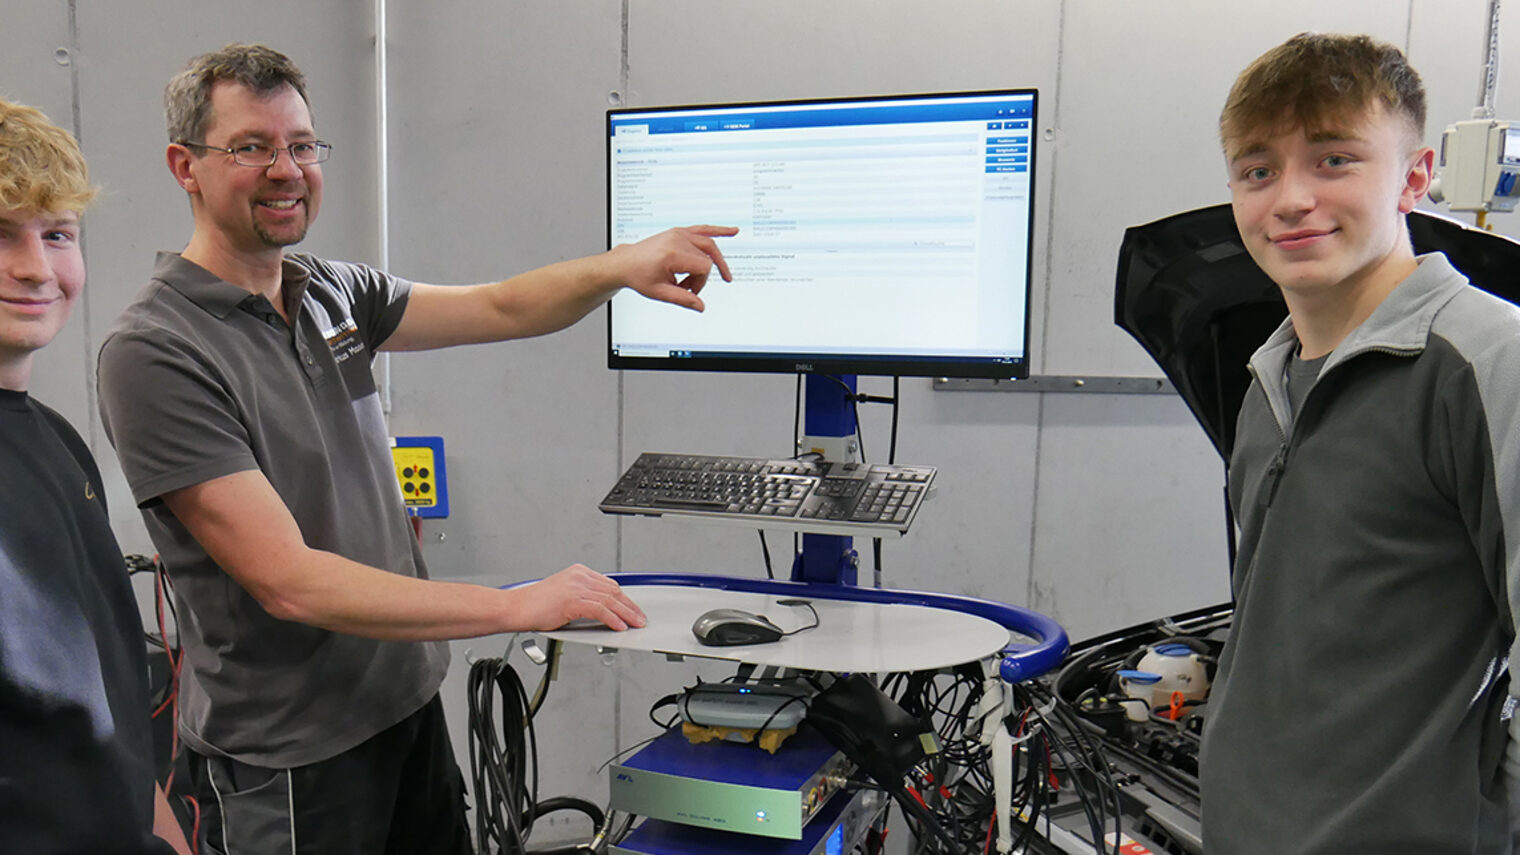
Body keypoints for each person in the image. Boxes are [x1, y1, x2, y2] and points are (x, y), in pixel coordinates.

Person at [95, 44, 735, 854]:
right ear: (185, 166)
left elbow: (502, 307)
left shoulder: (329, 291)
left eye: (300, 145)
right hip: (291, 759)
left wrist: (622, 265)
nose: (286, 169)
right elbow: (289, 582)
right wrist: (515, 603)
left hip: (404, 710)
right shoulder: (158, 350)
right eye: (252, 146)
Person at [1199, 32, 1520, 851]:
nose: (1290, 199)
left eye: (1334, 160)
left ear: (1415, 178)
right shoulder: (1268, 376)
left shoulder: (1487, 361)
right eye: (1258, 170)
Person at [0, 98, 191, 854]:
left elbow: (107, 702)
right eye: (1, 235)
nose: (36, 268)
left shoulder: (58, 444)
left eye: (57, 235)